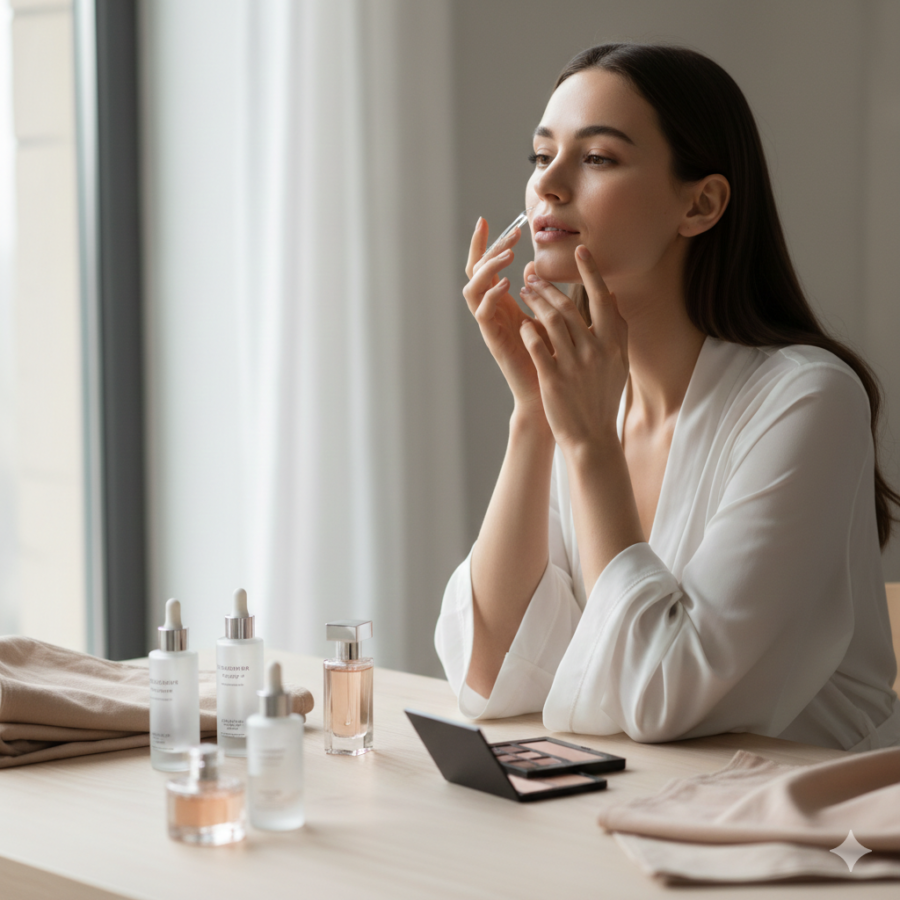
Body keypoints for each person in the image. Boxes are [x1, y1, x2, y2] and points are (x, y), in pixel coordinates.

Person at [435, 43, 900, 751]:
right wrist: (534, 415)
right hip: (635, 808)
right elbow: (491, 674)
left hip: (798, 826)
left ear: (701, 203)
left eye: (597, 159)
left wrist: (589, 445)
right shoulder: (583, 400)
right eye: (540, 157)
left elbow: (665, 700)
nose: (548, 187)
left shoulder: (807, 400)